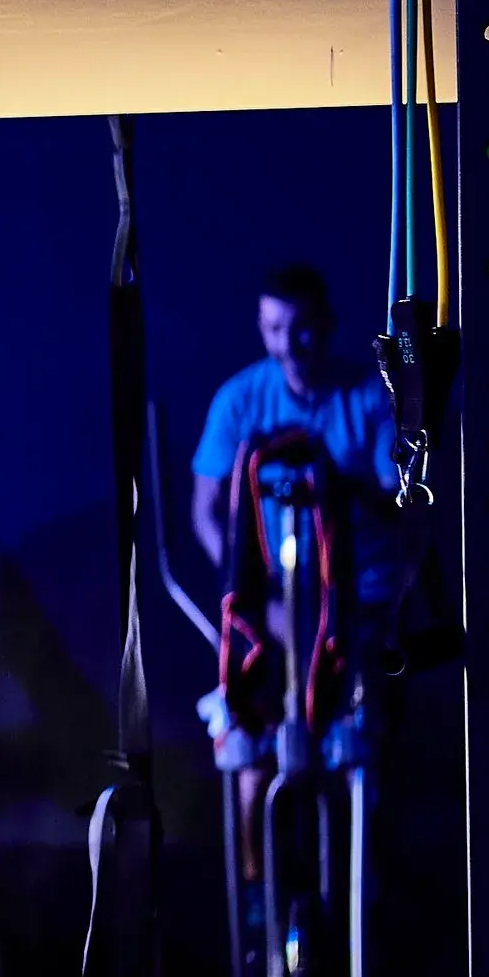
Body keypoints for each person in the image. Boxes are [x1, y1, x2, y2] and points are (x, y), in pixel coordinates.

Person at [189, 264, 404, 880]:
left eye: (302, 328)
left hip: (355, 604)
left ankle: (362, 883)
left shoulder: (368, 399)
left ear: (327, 325)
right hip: (270, 608)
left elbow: (402, 506)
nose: (289, 344)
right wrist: (250, 599)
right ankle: (255, 885)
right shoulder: (240, 401)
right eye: (275, 329)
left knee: (360, 743)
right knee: (248, 741)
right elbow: (205, 511)